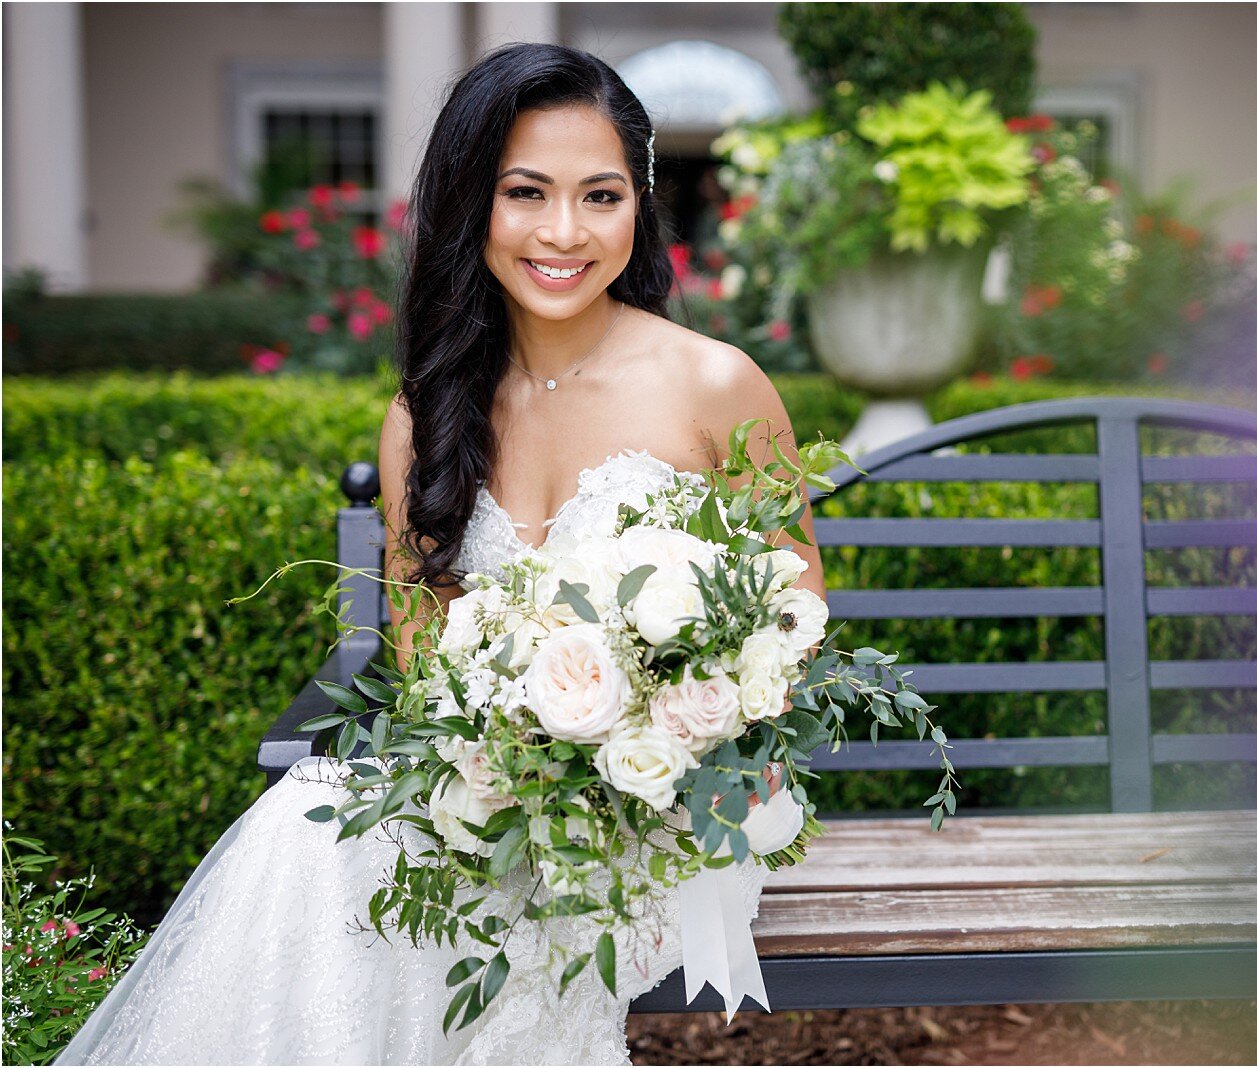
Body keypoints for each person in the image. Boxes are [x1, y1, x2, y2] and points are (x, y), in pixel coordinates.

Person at [55, 42, 826, 1066]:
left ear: (638, 205)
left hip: (673, 800)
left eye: (599, 196)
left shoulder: (716, 386)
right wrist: (517, 754)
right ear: (473, 203)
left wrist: (668, 722)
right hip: (496, 792)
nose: (563, 233)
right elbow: (425, 658)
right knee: (314, 825)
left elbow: (795, 605)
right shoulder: (426, 417)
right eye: (525, 193)